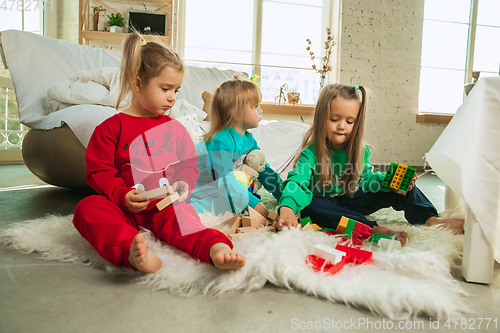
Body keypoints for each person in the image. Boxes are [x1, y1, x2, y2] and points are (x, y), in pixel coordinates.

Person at [73, 33, 245, 273]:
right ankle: (130, 250)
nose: (172, 97)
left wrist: (185, 182)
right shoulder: (110, 129)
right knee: (87, 207)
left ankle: (214, 248)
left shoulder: (175, 129)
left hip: (166, 204)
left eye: (176, 90)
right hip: (123, 206)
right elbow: (99, 171)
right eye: (165, 88)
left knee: (184, 217)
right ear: (138, 83)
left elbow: (189, 165)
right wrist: (121, 195)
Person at [278, 84, 464, 245]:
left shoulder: (360, 150)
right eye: (334, 119)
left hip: (351, 198)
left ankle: (430, 219)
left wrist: (390, 181)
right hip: (326, 202)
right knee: (311, 206)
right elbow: (298, 181)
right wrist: (287, 207)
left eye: (349, 121)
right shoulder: (311, 153)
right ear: (321, 118)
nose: (342, 126)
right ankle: (371, 230)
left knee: (405, 186)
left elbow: (367, 179)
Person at [189, 79, 282, 217]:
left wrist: (284, 195)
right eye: (255, 106)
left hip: (219, 186)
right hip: (198, 187)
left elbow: (263, 169)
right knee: (210, 210)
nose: (261, 110)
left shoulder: (248, 139)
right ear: (236, 112)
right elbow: (224, 181)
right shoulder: (220, 140)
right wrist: (255, 204)